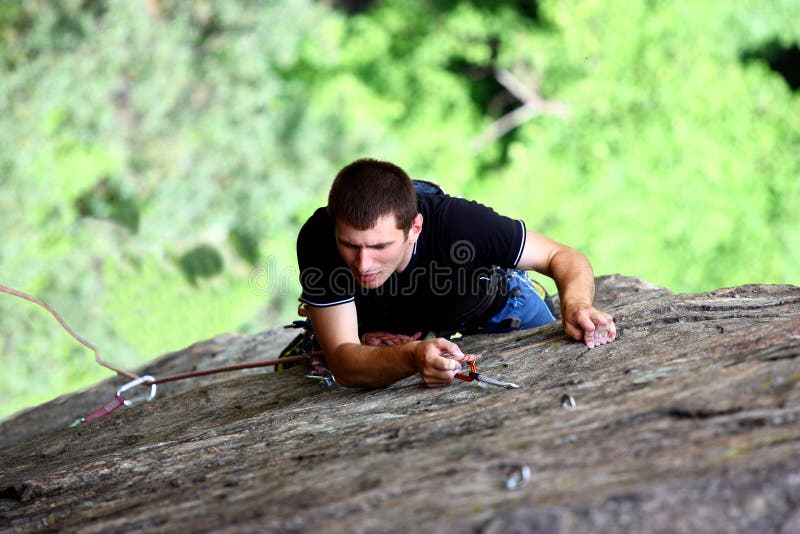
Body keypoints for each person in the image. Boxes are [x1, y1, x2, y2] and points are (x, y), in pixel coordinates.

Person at [296, 158, 616, 388]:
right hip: (389, 323)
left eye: (380, 246)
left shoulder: (460, 224)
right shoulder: (319, 239)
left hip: (489, 304)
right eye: (349, 245)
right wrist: (410, 356)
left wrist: (576, 305)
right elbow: (343, 360)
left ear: (415, 229)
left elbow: (562, 255)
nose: (362, 263)